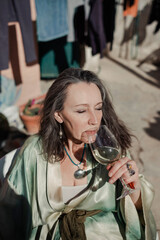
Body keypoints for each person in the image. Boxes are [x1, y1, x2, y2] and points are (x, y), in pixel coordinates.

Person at [0, 68, 157, 239]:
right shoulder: (35, 154)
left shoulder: (110, 148)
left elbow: (135, 215)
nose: (94, 120)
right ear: (58, 115)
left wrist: (133, 185)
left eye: (98, 108)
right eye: (81, 111)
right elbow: (10, 217)